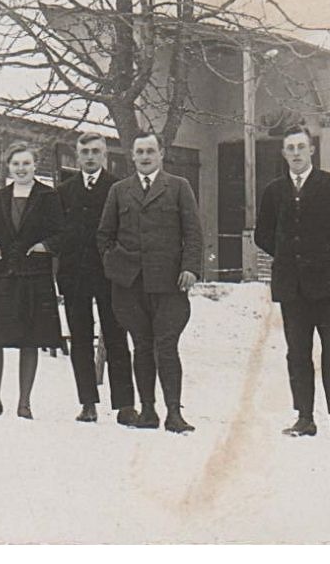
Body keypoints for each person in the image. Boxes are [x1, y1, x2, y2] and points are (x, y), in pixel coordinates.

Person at [255, 126, 330, 441]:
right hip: (293, 289)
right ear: (283, 153)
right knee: (297, 353)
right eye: (289, 148)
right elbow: (262, 234)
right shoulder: (274, 192)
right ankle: (304, 417)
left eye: (301, 147)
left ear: (311, 150)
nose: (295, 153)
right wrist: (289, 255)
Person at [97, 130, 204, 433]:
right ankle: (147, 410)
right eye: (140, 152)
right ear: (132, 156)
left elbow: (193, 232)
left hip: (169, 283)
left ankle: (174, 413)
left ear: (161, 154)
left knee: (167, 347)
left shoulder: (179, 187)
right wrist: (115, 266)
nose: (145, 157)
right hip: (130, 286)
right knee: (142, 346)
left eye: (150, 151)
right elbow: (104, 235)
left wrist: (191, 269)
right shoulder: (119, 191)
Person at [0, 143, 64, 419]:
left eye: (26, 163)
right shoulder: (0, 196)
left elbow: (61, 233)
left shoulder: (48, 196)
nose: (21, 169)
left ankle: (24, 403)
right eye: (16, 164)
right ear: (9, 167)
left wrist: (44, 246)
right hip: (2, 275)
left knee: (30, 339)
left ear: (35, 165)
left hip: (34, 277)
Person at [55, 133, 135, 423]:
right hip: (75, 275)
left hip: (110, 276)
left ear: (105, 155)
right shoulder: (63, 191)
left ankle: (125, 405)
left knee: (116, 336)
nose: (90, 156)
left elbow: (127, 231)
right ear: (77, 156)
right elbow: (58, 233)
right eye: (84, 151)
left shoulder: (119, 188)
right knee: (80, 339)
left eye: (96, 151)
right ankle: (87, 402)